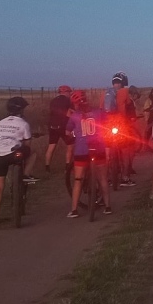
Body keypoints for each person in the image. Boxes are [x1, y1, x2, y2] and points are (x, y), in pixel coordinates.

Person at [0, 96, 41, 224]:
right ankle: (26, 174)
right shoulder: (24, 124)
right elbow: (27, 144)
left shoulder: (2, 122)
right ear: (21, 110)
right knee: (33, 153)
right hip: (13, 153)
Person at [66, 90, 112, 218]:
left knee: (78, 180)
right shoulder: (98, 112)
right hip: (98, 149)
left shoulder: (74, 116)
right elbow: (107, 125)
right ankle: (107, 207)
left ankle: (74, 210)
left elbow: (67, 132)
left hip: (81, 151)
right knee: (102, 179)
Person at [103, 72, 134, 189]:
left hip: (106, 126)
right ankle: (125, 178)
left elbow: (101, 109)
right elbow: (130, 107)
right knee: (125, 151)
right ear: (124, 82)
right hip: (121, 126)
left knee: (107, 152)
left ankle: (107, 177)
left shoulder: (105, 93)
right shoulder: (125, 92)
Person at [44, 85, 75, 188]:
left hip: (52, 126)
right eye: (69, 92)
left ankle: (47, 167)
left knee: (51, 146)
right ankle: (67, 167)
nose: (70, 94)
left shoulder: (53, 101)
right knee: (70, 145)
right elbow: (69, 113)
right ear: (66, 92)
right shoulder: (68, 101)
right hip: (63, 126)